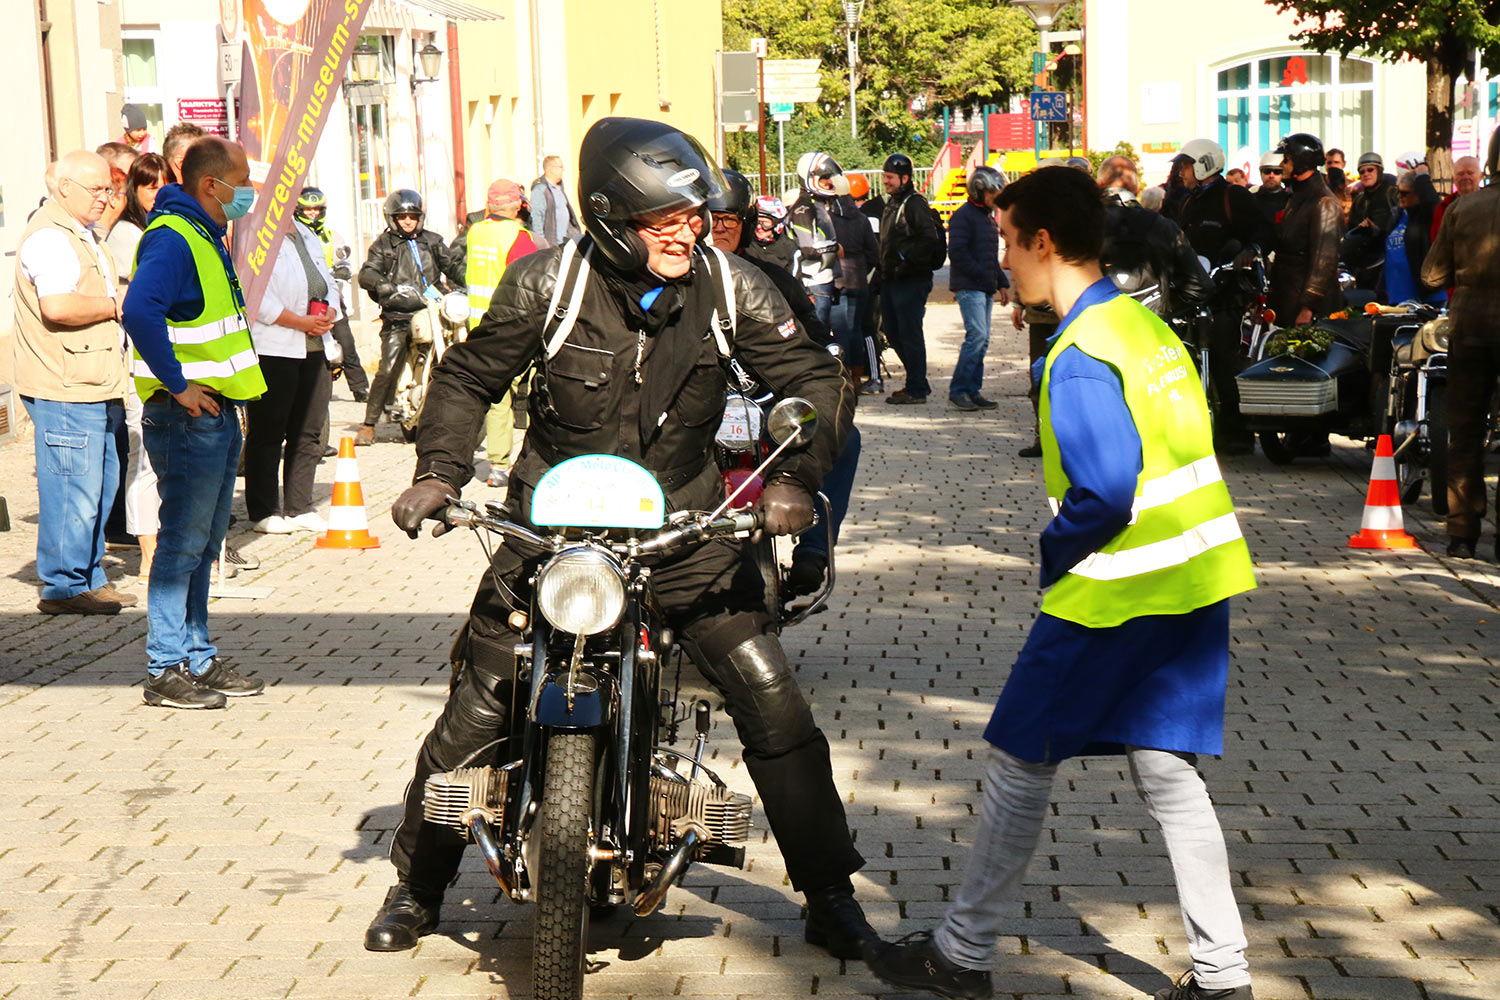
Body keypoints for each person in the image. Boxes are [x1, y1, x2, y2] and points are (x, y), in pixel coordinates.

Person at [366, 117, 872, 962]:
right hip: (550, 523)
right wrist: (440, 473)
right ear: (606, 219)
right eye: (664, 222)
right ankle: (417, 885)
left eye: (694, 218)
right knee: (478, 701)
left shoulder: (734, 286)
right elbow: (468, 376)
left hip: (685, 524)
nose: (688, 234)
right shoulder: (544, 286)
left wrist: (793, 481)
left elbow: (816, 379)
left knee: (770, 694)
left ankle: (830, 894)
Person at [864, 164, 1258, 1000]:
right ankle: (1225, 977)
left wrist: (1055, 548)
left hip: (1112, 596)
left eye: (1008, 242)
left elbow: (1108, 488)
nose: (1003, 260)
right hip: (1193, 581)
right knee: (1168, 775)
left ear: (1043, 242)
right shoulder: (1142, 328)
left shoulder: (1077, 355)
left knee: (1017, 759)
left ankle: (962, 954)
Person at [121, 136, 269, 709]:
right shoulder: (175, 237)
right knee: (181, 544)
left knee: (204, 544)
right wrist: (179, 387)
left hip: (215, 412)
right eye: (242, 181)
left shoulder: (204, 233)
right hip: (186, 417)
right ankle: (164, 667)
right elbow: (139, 311)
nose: (247, 193)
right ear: (212, 185)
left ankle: (197, 657)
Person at [708, 168, 862, 597]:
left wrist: (831, 356)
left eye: (729, 221)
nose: (719, 229)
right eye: (710, 218)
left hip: (765, 405)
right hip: (699, 410)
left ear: (747, 223)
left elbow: (816, 340)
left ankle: (814, 552)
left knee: (847, 440)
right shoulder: (672, 279)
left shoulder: (771, 277)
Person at [13, 150, 136, 616]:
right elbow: (58, 308)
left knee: (99, 488)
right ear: (64, 189)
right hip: (65, 383)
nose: (106, 198)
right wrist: (114, 304)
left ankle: (89, 576)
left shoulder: (82, 234)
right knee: (72, 489)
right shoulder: (49, 237)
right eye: (97, 189)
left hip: (92, 381)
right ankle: (63, 586)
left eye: (110, 189)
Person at [1420, 128, 1500, 562]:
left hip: (1468, 330)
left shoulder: (1463, 208)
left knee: (1465, 432)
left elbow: (1432, 276)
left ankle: (1461, 535)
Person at [244, 215, 340, 534]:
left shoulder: (306, 232)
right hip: (275, 345)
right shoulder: (255, 230)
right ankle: (264, 509)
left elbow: (327, 279)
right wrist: (298, 322)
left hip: (315, 344)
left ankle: (299, 506)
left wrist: (332, 310)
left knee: (309, 430)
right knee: (269, 430)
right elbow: (254, 292)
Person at [354, 189, 465, 446]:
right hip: (400, 315)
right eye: (402, 216)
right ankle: (369, 424)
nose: (407, 221)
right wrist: (381, 283)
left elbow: (452, 266)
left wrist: (468, 280)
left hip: (435, 310)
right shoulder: (383, 245)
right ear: (392, 218)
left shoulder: (433, 241)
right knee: (388, 366)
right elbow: (367, 272)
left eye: (412, 216)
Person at [108, 153, 171, 589]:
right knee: (144, 460)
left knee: (166, 460)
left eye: (162, 184)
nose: (155, 193)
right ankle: (148, 553)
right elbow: (135, 306)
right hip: (140, 362)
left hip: (173, 358)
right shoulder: (128, 235)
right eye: (147, 186)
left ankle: (165, 546)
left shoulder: (164, 231)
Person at [459, 178, 538, 488]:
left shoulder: (475, 232)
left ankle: (493, 466)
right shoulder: (519, 237)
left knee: (494, 397)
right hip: (512, 328)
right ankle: (514, 464)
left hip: (479, 325)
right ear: (518, 204)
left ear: (490, 204)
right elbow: (529, 285)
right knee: (522, 396)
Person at [1097, 155, 1212, 322]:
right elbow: (1200, 286)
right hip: (1149, 330)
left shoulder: (1082, 226)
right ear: (1136, 189)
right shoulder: (1163, 226)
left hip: (1095, 332)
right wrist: (1162, 306)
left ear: (1099, 185)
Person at [294, 187, 369, 403]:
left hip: (330, 298)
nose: (313, 214)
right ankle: (309, 387)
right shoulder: (293, 235)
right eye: (308, 210)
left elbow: (343, 260)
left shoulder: (331, 235)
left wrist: (342, 272)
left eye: (317, 210)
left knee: (346, 341)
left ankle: (360, 388)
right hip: (300, 297)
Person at [877, 152, 939, 404]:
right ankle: (917, 381)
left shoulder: (914, 203)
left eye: (889, 177)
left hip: (911, 281)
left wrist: (905, 262)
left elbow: (928, 239)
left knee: (910, 333)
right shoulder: (893, 202)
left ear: (904, 178)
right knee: (892, 330)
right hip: (893, 280)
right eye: (884, 176)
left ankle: (916, 388)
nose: (885, 181)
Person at [946, 165, 1009, 411]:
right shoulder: (964, 216)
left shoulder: (986, 218)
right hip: (969, 287)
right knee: (977, 336)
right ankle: (958, 390)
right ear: (980, 190)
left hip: (984, 287)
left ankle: (973, 390)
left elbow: (989, 256)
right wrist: (983, 276)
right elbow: (958, 253)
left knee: (982, 341)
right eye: (994, 194)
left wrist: (1001, 283)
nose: (997, 199)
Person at [1269, 133, 1341, 329]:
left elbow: (1324, 261)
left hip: (1307, 311)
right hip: (1287, 299)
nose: (1281, 164)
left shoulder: (1323, 202)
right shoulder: (1297, 197)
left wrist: (1308, 307)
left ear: (1300, 163)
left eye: (1287, 159)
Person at [1177, 139, 1259, 267]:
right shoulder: (1187, 201)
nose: (1181, 173)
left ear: (1203, 165)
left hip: (1228, 282)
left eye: (1186, 167)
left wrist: (1249, 252)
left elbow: (1262, 233)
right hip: (1193, 281)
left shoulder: (1235, 196)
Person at [788, 151, 844, 324]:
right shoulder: (803, 209)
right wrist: (834, 248)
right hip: (812, 284)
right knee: (818, 336)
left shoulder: (818, 205)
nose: (829, 182)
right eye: (824, 178)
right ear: (811, 177)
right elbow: (808, 248)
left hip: (824, 281)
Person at [1381, 170, 1443, 306]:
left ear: (1419, 194)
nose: (1399, 196)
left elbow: (1432, 201)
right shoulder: (1397, 216)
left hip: (1426, 297)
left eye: (1404, 193)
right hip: (1396, 296)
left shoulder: (1426, 217)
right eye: (1398, 191)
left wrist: (1422, 176)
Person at [1345, 152, 1401, 288]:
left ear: (1379, 171)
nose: (1366, 174)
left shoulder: (1392, 195)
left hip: (1388, 263)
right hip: (1363, 266)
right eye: (1362, 171)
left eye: (1370, 169)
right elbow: (1350, 231)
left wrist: (1376, 230)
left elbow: (1400, 228)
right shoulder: (1359, 200)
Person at [528, 154, 581, 248]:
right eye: (561, 167)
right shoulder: (540, 188)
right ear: (552, 169)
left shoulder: (559, 187)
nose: (563, 170)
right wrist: (542, 244)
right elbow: (537, 218)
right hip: (551, 245)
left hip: (565, 242)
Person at [743, 194, 798, 274]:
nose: (759, 227)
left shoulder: (789, 247)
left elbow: (795, 280)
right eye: (756, 222)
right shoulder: (745, 243)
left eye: (765, 224)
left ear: (777, 224)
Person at [1430, 155, 1481, 240]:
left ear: (1481, 176)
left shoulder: (1494, 203)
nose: (1465, 177)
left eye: (1470, 173)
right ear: (1453, 179)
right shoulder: (1444, 207)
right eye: (1460, 174)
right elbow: (1436, 242)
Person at [1251, 151, 1288, 249]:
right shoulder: (1250, 200)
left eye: (1276, 172)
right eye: (1267, 171)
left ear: (1282, 174)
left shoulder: (1291, 201)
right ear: (1261, 173)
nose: (1271, 175)